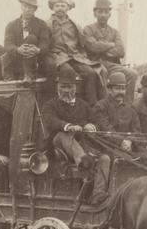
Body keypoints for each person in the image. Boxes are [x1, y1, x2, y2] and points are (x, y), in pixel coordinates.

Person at [40, 68, 112, 205]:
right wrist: (68, 126)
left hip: (82, 145)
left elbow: (96, 123)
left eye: (69, 87)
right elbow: (50, 121)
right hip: (58, 148)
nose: (66, 90)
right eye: (63, 87)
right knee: (64, 135)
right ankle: (83, 161)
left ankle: (98, 195)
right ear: (57, 87)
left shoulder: (84, 105)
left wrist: (92, 127)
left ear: (75, 87)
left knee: (105, 158)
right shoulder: (50, 105)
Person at [45, 0, 103, 105]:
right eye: (57, 6)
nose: (60, 8)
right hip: (58, 57)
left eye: (63, 6)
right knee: (68, 72)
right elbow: (44, 44)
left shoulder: (74, 25)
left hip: (74, 56)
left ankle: (92, 105)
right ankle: (66, 104)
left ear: (68, 8)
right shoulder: (47, 24)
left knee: (91, 73)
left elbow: (82, 42)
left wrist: (83, 55)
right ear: (53, 8)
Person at [82, 0, 138, 102]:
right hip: (94, 63)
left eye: (106, 12)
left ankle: (127, 106)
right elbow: (92, 47)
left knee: (132, 74)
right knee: (102, 72)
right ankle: (105, 106)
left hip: (112, 65)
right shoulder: (88, 29)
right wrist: (111, 45)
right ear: (95, 13)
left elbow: (121, 51)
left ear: (109, 14)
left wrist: (101, 47)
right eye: (100, 12)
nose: (103, 15)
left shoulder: (114, 32)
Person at [2, 0, 53, 81]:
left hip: (36, 60)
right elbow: (8, 44)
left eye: (30, 7)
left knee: (31, 38)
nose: (27, 10)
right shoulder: (12, 25)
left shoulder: (42, 24)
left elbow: (45, 43)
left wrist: (38, 50)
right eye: (25, 6)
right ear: (21, 7)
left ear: (35, 9)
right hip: (17, 59)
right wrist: (18, 49)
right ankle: (22, 75)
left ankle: (29, 75)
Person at [92, 70, 140, 152]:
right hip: (108, 148)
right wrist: (121, 142)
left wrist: (129, 141)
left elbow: (136, 130)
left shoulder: (130, 109)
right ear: (109, 90)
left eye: (123, 89)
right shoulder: (101, 106)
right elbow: (105, 129)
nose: (120, 92)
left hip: (129, 147)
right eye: (117, 88)